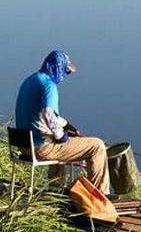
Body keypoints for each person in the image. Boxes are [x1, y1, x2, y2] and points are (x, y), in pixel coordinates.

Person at [15, 50, 110, 195]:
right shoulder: (49, 85)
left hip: (24, 145)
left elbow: (44, 114)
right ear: (57, 67)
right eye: (66, 71)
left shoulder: (30, 80)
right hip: (41, 148)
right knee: (97, 146)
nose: (65, 76)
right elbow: (48, 113)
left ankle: (54, 191)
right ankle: (100, 196)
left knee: (57, 142)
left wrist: (67, 126)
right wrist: (60, 135)